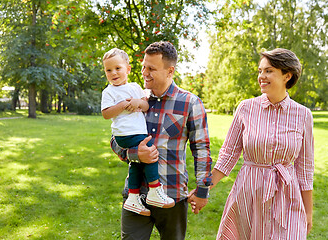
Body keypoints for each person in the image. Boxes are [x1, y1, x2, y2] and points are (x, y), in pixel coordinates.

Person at [109, 41, 212, 240]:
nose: (144, 72)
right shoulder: (135, 99)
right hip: (135, 194)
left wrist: (202, 190)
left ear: (169, 71)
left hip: (172, 195)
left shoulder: (190, 103)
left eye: (152, 68)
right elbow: (115, 140)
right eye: (143, 66)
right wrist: (135, 154)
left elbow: (201, 149)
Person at [210, 48, 314, 240]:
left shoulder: (303, 115)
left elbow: (305, 168)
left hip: (287, 196)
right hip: (249, 193)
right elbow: (228, 155)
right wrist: (203, 188)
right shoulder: (246, 108)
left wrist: (308, 212)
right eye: (260, 71)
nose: (261, 76)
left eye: (268, 71)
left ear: (287, 76)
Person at [101, 48, 175, 217]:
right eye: (108, 70)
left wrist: (137, 102)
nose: (113, 73)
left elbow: (146, 105)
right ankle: (155, 190)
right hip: (125, 134)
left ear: (128, 69)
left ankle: (133, 197)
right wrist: (121, 106)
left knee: (136, 162)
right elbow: (106, 114)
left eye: (117, 68)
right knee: (150, 152)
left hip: (136, 132)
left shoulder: (134, 87)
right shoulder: (109, 92)